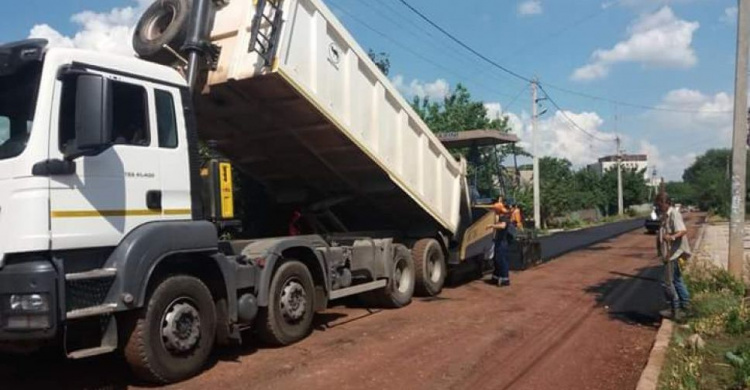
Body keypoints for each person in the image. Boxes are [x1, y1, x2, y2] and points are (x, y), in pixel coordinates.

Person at [656, 194, 691, 321]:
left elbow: (682, 231)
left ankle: (674, 308)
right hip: (669, 253)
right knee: (677, 279)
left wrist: (671, 237)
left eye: (659, 203)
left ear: (665, 203)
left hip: (673, 253)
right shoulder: (665, 215)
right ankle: (685, 305)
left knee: (667, 283)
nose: (658, 206)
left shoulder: (674, 214)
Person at [487, 199, 513, 287]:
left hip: (503, 242)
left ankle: (505, 279)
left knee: (502, 260)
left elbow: (503, 226)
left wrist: (492, 226)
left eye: (495, 209)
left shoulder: (504, 216)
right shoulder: (500, 216)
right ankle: (496, 277)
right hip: (499, 241)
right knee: (497, 259)